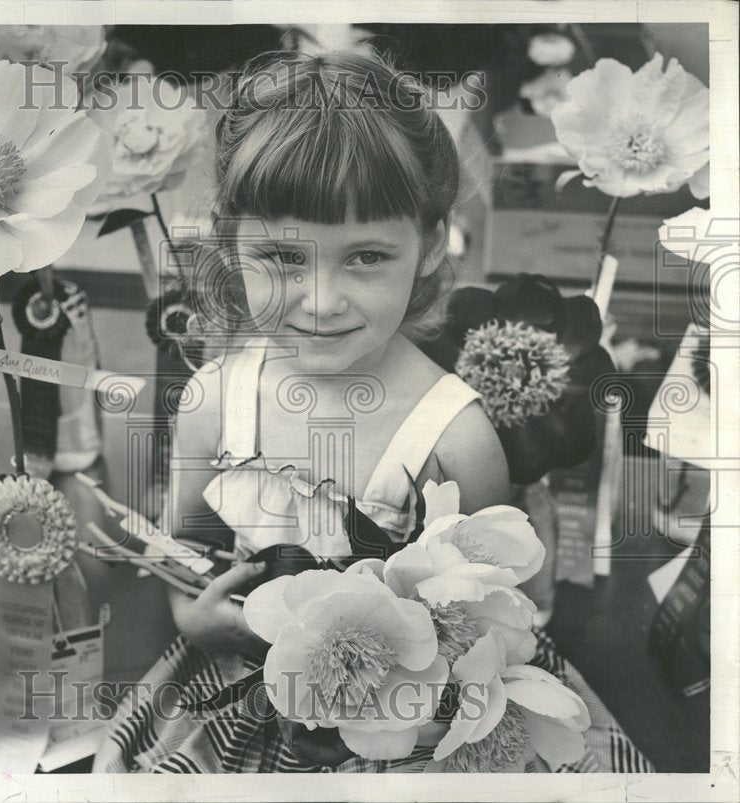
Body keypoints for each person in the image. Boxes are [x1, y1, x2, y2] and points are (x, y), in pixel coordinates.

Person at [94, 49, 648, 774]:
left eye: (365, 258)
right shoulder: (210, 402)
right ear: (230, 239)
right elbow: (187, 564)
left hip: (413, 720)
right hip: (241, 694)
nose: (321, 300)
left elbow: (484, 620)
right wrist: (196, 620)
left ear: (427, 243)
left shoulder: (458, 436)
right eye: (285, 258)